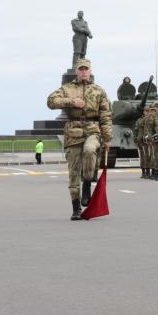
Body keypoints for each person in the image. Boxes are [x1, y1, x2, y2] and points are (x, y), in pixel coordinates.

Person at [46, 58, 112, 219]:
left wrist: (108, 137)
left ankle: (88, 184)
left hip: (92, 129)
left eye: (86, 69)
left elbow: (106, 115)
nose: (83, 71)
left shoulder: (98, 90)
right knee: (74, 171)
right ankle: (76, 209)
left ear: (90, 71)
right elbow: (51, 101)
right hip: (73, 131)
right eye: (81, 69)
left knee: (90, 151)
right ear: (76, 71)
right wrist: (71, 101)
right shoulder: (67, 88)